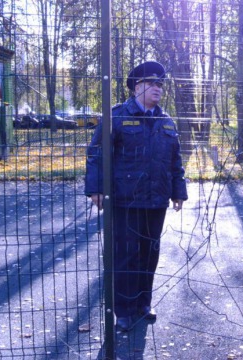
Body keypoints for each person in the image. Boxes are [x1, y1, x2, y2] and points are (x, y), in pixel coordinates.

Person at [85, 61, 188, 332]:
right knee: (126, 256)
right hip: (125, 200)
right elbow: (96, 153)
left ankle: (143, 304)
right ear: (137, 87)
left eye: (161, 84)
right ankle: (125, 311)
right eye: (153, 83)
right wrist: (95, 188)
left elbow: (175, 161)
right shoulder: (117, 116)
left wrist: (179, 192)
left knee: (149, 255)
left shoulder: (166, 121)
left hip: (156, 201)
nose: (159, 89)